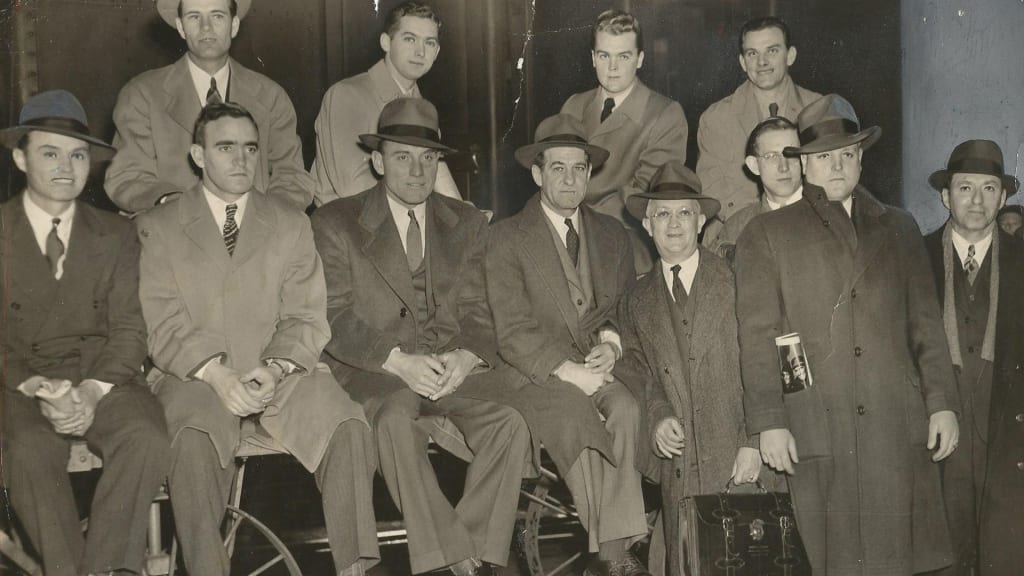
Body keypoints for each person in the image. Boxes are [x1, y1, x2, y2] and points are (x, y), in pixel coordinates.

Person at [136, 102, 377, 576]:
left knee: (348, 426)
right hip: (196, 377)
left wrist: (275, 367)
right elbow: (159, 323)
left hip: (280, 375)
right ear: (198, 156)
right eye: (225, 147)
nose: (241, 159)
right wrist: (216, 374)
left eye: (250, 148)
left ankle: (355, 569)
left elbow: (307, 317)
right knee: (192, 441)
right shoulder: (157, 226)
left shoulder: (290, 222)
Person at [734, 94, 960, 575]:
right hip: (819, 428)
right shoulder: (767, 234)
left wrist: (941, 403)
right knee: (832, 562)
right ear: (804, 164)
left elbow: (926, 326)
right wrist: (769, 421)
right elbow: (757, 337)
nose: (836, 166)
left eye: (846, 154)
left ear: (860, 158)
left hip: (894, 432)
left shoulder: (898, 226)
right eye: (823, 157)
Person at [311, 97, 529, 576]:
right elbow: (333, 315)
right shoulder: (335, 222)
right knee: (393, 421)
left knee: (510, 422)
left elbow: (481, 309)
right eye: (402, 157)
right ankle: (456, 561)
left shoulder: (467, 222)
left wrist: (468, 357)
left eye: (428, 158)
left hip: (451, 370)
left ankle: (463, 548)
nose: (416, 170)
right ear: (377, 160)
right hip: (379, 372)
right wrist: (395, 360)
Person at [0, 90, 170, 576]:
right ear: (19, 157)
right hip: (22, 384)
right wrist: (37, 386)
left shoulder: (116, 234)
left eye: (77, 156)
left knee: (147, 437)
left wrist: (92, 393)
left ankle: (103, 569)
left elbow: (130, 329)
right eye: (49, 153)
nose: (65, 167)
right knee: (28, 452)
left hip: (103, 378)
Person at [486, 113, 651, 576]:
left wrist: (613, 344)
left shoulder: (613, 234)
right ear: (537, 174)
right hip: (538, 373)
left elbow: (623, 307)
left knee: (627, 410)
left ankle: (611, 547)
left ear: (590, 173)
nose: (569, 179)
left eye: (579, 168)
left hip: (599, 366)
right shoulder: (504, 238)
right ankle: (617, 556)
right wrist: (568, 370)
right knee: (574, 415)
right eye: (557, 168)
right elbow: (512, 330)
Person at [616, 161, 761, 576]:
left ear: (701, 221)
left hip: (739, 456)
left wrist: (753, 439)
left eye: (684, 213)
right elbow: (635, 367)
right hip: (678, 468)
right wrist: (657, 415)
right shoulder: (636, 299)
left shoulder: (737, 279)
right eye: (663, 213)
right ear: (648, 224)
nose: (674, 223)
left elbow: (763, 359)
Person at [922, 139, 1024, 575]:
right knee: (940, 555)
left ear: (1003, 198)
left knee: (1003, 553)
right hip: (934, 436)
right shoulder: (915, 256)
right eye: (965, 188)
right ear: (946, 196)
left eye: (988, 188)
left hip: (1005, 435)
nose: (977, 200)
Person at [106, 0, 314, 212]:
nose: (206, 27)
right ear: (181, 27)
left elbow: (292, 176)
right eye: (194, 16)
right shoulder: (142, 94)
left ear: (234, 25)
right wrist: (173, 203)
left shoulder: (270, 96)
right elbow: (126, 176)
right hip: (172, 231)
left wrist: (265, 218)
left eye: (217, 16)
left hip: (254, 234)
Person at [559, 9, 688, 273]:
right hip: (565, 228)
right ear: (593, 58)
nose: (613, 68)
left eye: (623, 56)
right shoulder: (574, 106)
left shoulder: (664, 114)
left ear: (639, 59)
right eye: (604, 56)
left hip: (625, 237)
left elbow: (643, 198)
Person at [310, 1, 461, 205]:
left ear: (437, 52)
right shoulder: (347, 95)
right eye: (410, 39)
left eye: (430, 43)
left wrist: (462, 213)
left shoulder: (419, 104)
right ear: (386, 43)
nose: (420, 52)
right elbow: (354, 190)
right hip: (346, 227)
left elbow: (437, 172)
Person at [697, 17, 819, 235]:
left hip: (807, 229)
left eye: (772, 51)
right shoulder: (717, 117)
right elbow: (714, 190)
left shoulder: (817, 110)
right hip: (736, 232)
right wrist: (764, 228)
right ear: (743, 62)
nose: (761, 62)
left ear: (790, 55)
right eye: (752, 53)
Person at [703, 116, 803, 259]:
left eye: (791, 154)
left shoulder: (827, 215)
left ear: (803, 159)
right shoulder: (737, 227)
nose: (784, 167)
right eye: (772, 156)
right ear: (754, 165)